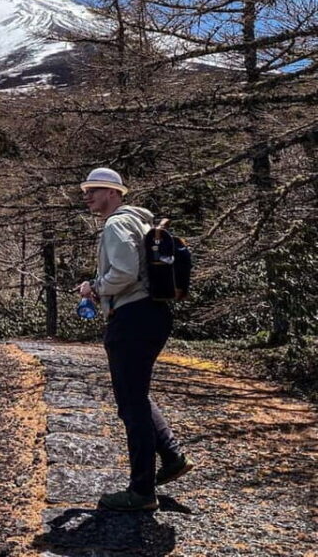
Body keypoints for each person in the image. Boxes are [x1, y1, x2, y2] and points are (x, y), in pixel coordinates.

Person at [78, 167, 193, 511]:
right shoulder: (139, 222)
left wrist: (94, 288)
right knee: (136, 397)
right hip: (152, 315)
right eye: (86, 191)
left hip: (131, 318)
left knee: (131, 405)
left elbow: (125, 273)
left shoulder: (116, 224)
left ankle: (141, 492)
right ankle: (171, 457)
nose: (88, 196)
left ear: (114, 193)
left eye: (95, 190)